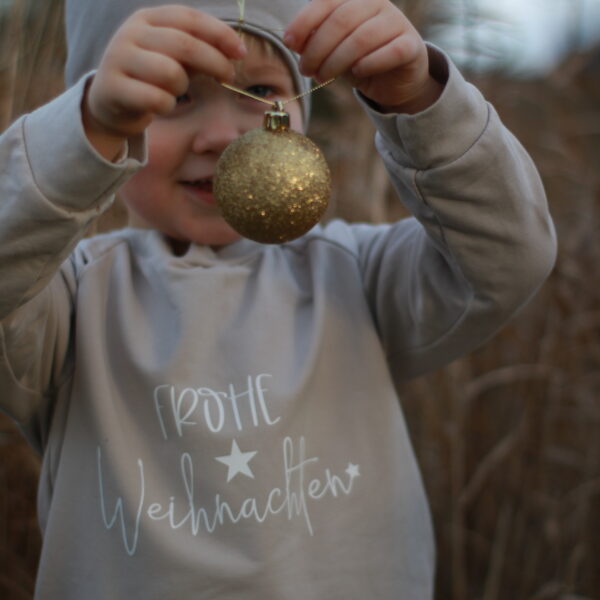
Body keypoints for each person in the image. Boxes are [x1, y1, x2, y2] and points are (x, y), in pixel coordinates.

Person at [0, 0, 556, 598]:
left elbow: (511, 255)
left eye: (259, 90)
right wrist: (83, 127)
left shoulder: (356, 277)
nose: (222, 136)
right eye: (176, 96)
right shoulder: (65, 303)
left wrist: (418, 100)